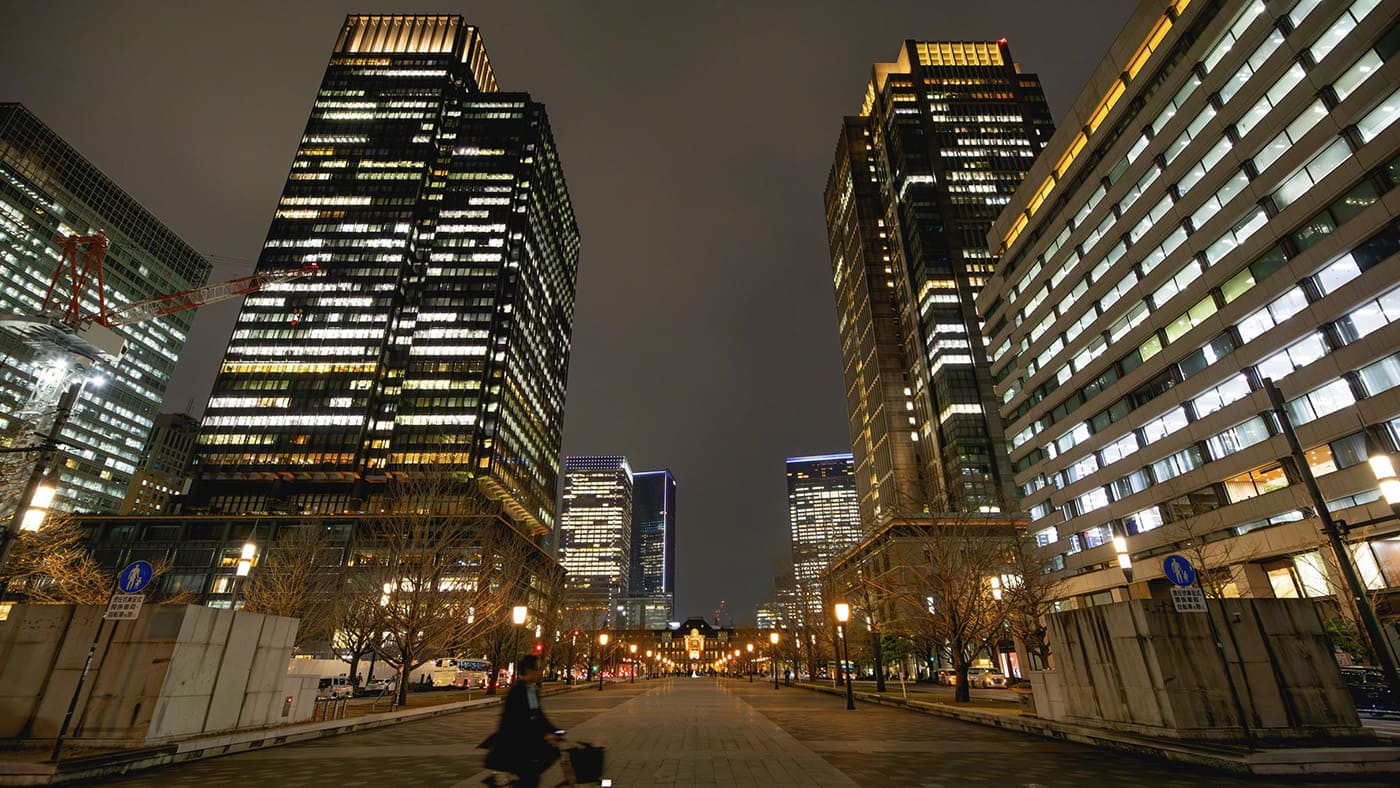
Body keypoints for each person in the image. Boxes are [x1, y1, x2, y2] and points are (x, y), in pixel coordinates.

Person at [484, 655, 560, 787]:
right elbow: (520, 720)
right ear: (528, 670)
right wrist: (544, 734)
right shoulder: (517, 692)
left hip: (527, 743)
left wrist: (556, 731)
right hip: (514, 745)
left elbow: (539, 715)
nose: (538, 672)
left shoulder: (532, 690)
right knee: (531, 776)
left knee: (551, 756)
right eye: (536, 669)